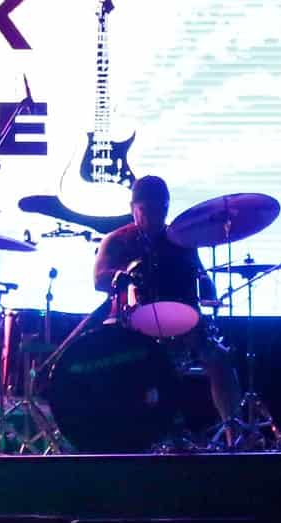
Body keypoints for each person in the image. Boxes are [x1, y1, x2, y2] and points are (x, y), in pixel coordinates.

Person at [92, 174, 245, 440]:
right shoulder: (117, 239)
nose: (154, 215)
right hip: (132, 324)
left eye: (160, 209)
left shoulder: (181, 240)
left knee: (219, 359)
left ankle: (234, 434)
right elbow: (99, 279)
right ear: (133, 208)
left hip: (182, 322)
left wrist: (208, 287)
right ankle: (133, 436)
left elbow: (202, 279)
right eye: (147, 209)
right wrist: (125, 275)